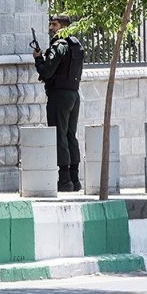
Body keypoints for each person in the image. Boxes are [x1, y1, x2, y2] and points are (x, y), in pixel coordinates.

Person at [33, 15, 84, 192]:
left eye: (54, 25)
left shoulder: (59, 46)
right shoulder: (76, 45)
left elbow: (47, 72)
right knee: (71, 135)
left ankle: (64, 181)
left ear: (63, 27)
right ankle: (75, 179)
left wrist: (39, 59)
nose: (51, 28)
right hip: (74, 94)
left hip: (59, 95)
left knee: (60, 135)